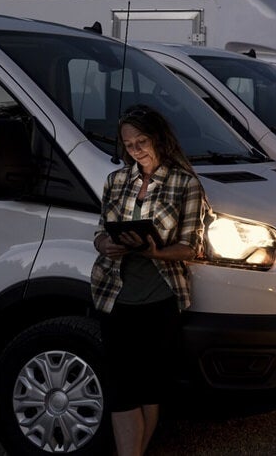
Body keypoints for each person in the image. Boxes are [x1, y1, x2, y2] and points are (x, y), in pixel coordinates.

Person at [91, 105, 207, 456]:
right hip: (113, 295)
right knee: (120, 389)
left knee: (149, 389)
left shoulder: (185, 184)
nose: (136, 150)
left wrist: (155, 251)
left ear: (158, 138)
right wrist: (106, 244)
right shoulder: (116, 181)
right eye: (128, 145)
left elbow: (192, 248)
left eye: (142, 141)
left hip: (160, 300)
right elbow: (99, 232)